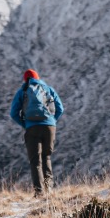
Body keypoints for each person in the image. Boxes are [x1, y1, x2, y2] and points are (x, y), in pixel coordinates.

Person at [10, 68, 64, 196]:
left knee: (35, 161)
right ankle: (49, 189)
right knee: (47, 157)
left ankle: (39, 192)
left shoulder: (22, 91)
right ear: (37, 77)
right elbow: (60, 108)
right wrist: (52, 121)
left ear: (25, 79)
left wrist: (26, 124)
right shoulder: (48, 89)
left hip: (32, 128)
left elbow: (13, 113)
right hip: (49, 127)